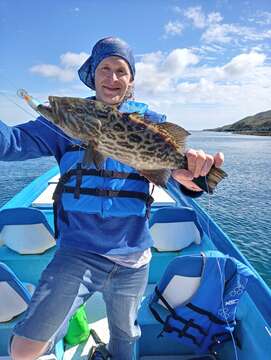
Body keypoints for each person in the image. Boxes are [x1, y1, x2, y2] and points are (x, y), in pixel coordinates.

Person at [2, 37, 224, 360]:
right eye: (105, 68)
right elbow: (10, 142)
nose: (112, 77)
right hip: (77, 254)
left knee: (125, 336)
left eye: (121, 70)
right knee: (23, 349)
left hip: (133, 258)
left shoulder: (150, 122)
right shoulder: (69, 119)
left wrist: (196, 177)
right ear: (92, 74)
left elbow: (177, 179)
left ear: (131, 80)